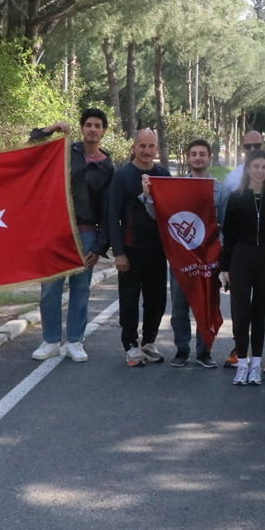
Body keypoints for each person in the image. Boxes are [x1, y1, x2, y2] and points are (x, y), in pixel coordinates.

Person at [27, 109, 115, 362]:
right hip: (56, 229)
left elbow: (107, 210)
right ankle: (50, 340)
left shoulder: (107, 166)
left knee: (81, 289)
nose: (93, 129)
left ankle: (75, 341)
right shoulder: (65, 151)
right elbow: (33, 145)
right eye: (88, 125)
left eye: (98, 125)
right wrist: (51, 128)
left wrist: (99, 246)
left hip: (87, 233)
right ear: (82, 128)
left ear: (103, 131)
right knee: (50, 288)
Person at [142, 138, 227, 368]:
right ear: (188, 158)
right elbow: (157, 216)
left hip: (209, 260)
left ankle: (204, 352)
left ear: (209, 158)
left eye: (202, 154)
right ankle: (182, 349)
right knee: (179, 307)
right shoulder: (175, 187)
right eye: (194, 154)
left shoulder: (221, 189)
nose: (198, 158)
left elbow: (225, 225)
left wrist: (219, 255)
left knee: (207, 306)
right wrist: (149, 195)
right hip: (182, 259)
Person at [222, 130, 265, 371]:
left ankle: (260, 360)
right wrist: (225, 266)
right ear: (248, 168)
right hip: (241, 258)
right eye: (255, 166)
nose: (260, 171)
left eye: (264, 167)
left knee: (262, 310)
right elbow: (228, 234)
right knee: (240, 311)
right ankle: (240, 357)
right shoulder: (236, 195)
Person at [108, 128, 172, 366]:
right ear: (134, 147)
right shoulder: (122, 175)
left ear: (157, 149)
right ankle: (131, 345)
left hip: (157, 250)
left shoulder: (164, 175)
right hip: (130, 249)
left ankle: (149, 341)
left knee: (157, 300)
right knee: (129, 300)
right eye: (142, 146)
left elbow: (171, 213)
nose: (146, 151)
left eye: (151, 146)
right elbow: (112, 215)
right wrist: (119, 252)